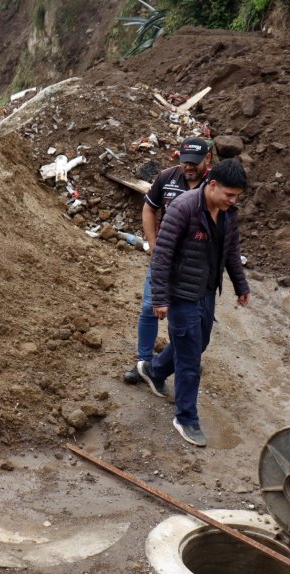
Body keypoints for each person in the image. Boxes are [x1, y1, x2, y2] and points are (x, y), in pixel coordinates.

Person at [137, 158, 250, 447]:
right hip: (181, 294)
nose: (233, 201)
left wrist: (241, 285)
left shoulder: (228, 213)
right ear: (212, 185)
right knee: (190, 359)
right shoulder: (183, 208)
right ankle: (186, 418)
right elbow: (162, 255)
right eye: (229, 194)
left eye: (237, 196)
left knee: (198, 343)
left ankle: (155, 369)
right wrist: (160, 298)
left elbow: (231, 251)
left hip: (206, 291)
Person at [123, 137, 212, 385]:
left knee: (186, 318)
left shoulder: (214, 184)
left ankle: (178, 360)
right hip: (165, 258)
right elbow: (149, 208)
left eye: (195, 163)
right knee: (150, 308)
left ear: (208, 159)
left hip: (195, 265)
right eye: (185, 162)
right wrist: (153, 244)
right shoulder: (167, 178)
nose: (189, 167)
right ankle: (144, 362)